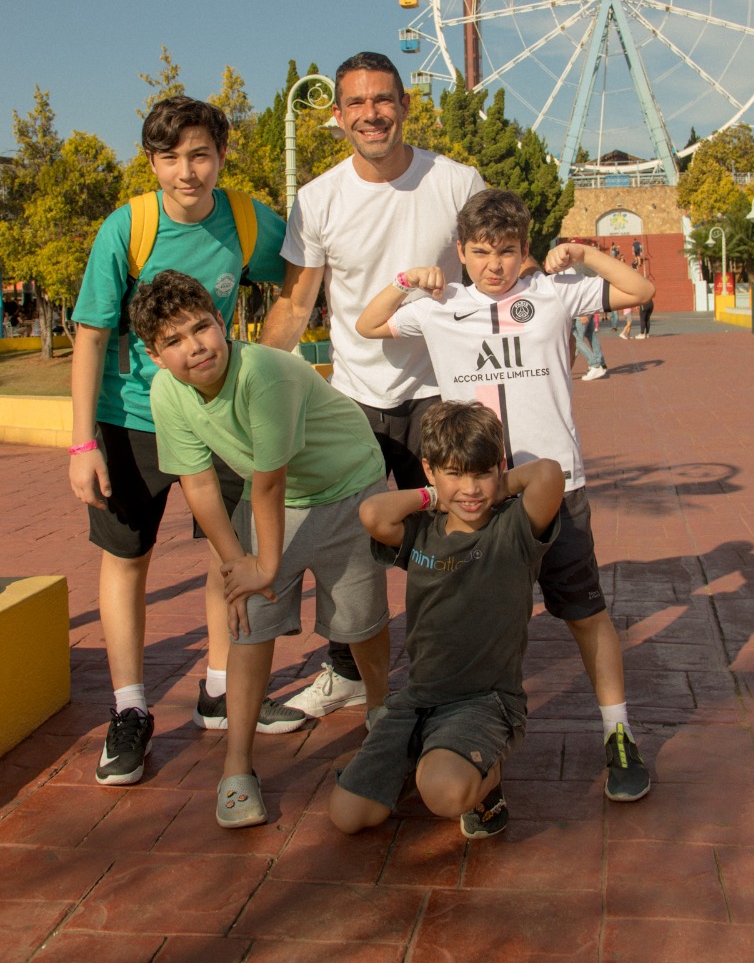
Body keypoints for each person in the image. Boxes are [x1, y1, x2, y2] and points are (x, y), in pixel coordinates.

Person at [356, 188, 655, 801]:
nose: (495, 264)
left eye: (509, 251)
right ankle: (473, 749)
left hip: (555, 485)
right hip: (479, 495)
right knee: (478, 618)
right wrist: (405, 280)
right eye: (482, 251)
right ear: (461, 252)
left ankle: (618, 733)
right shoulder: (440, 304)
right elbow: (368, 324)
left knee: (584, 612)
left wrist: (584, 253)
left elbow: (641, 292)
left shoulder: (551, 293)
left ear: (525, 251)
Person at [69, 96, 297, 788]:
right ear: (152, 162)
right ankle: (130, 708)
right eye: (170, 158)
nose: (186, 171)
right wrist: (82, 444)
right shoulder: (128, 227)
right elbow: (90, 335)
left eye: (200, 154)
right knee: (127, 557)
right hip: (129, 419)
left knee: (228, 554)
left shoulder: (251, 222)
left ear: (222, 155)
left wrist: (268, 360)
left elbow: (298, 277)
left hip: (215, 413)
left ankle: (221, 689)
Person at [261, 51, 485, 720]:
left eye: (382, 100)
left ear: (405, 106)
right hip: (353, 395)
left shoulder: (455, 181)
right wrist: (245, 384)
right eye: (355, 103)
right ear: (337, 115)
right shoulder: (318, 198)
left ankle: (453, 676)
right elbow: (296, 306)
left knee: (451, 535)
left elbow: (496, 275)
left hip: (439, 391)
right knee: (345, 542)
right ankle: (345, 672)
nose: (370, 114)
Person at [129, 270, 390, 828]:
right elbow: (199, 484)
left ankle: (381, 704)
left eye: (201, 328)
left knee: (358, 618)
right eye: (174, 341)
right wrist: (236, 565)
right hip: (274, 494)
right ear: (154, 355)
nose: (195, 347)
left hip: (346, 484)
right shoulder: (167, 392)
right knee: (248, 621)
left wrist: (264, 565)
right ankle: (237, 770)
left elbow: (270, 479)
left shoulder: (264, 372)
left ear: (222, 323)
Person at [329, 401, 563, 840]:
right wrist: (435, 496)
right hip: (417, 701)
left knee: (444, 793)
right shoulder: (421, 532)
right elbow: (373, 514)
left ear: (499, 468)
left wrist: (494, 486)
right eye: (454, 473)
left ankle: (482, 781)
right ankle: (422, 756)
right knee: (347, 816)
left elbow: (548, 474)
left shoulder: (511, 531)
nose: (470, 489)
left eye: (481, 473)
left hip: (486, 702)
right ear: (430, 470)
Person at [573, 313, 608, 381]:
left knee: (577, 341)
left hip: (581, 314)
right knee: (591, 336)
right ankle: (601, 364)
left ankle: (595, 365)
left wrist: (583, 314)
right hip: (586, 312)